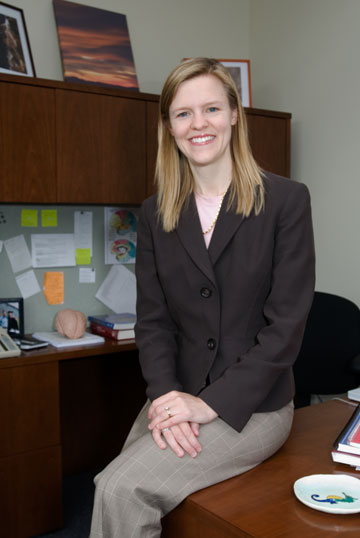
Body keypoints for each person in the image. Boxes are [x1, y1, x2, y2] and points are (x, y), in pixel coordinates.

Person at [90, 57, 315, 538]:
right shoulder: (155, 214)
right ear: (168, 127)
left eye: (211, 108)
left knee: (120, 490)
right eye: (183, 113)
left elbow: (285, 329)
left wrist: (207, 405)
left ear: (235, 113)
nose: (199, 124)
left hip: (252, 405)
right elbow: (154, 322)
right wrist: (167, 394)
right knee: (111, 482)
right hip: (176, 391)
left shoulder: (286, 201)